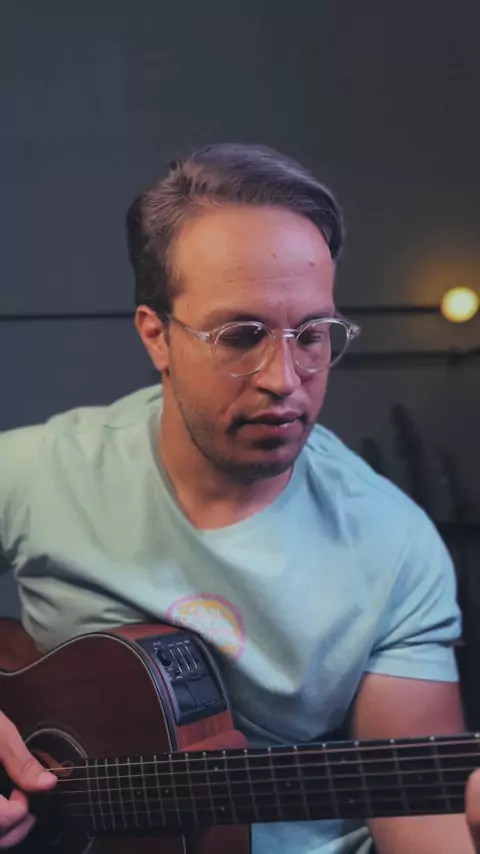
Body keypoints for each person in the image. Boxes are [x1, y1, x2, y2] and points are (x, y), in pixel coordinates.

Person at [0, 143, 479, 853]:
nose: (283, 378)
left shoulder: (396, 547)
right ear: (157, 336)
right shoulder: (34, 473)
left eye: (312, 335)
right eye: (241, 334)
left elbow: (417, 814)